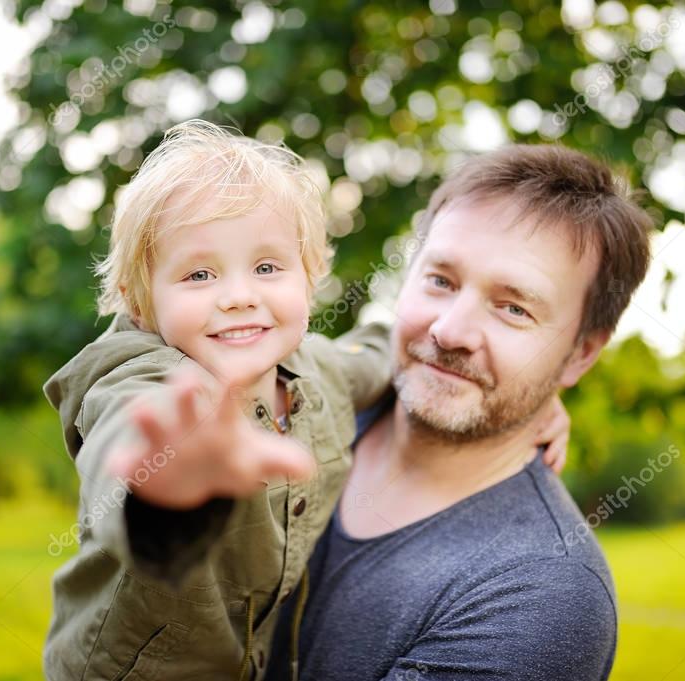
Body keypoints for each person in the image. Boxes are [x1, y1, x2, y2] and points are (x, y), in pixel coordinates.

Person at [41, 121, 570, 681]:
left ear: (311, 277)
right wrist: (162, 487)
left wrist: (529, 397)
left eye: (267, 267)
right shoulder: (140, 376)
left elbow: (386, 353)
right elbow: (125, 438)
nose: (240, 296)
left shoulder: (322, 371)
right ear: (140, 300)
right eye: (199, 274)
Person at [267, 144, 653, 681]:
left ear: (582, 352)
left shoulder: (541, 596)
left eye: (513, 308)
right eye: (441, 281)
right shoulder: (304, 409)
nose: (449, 331)